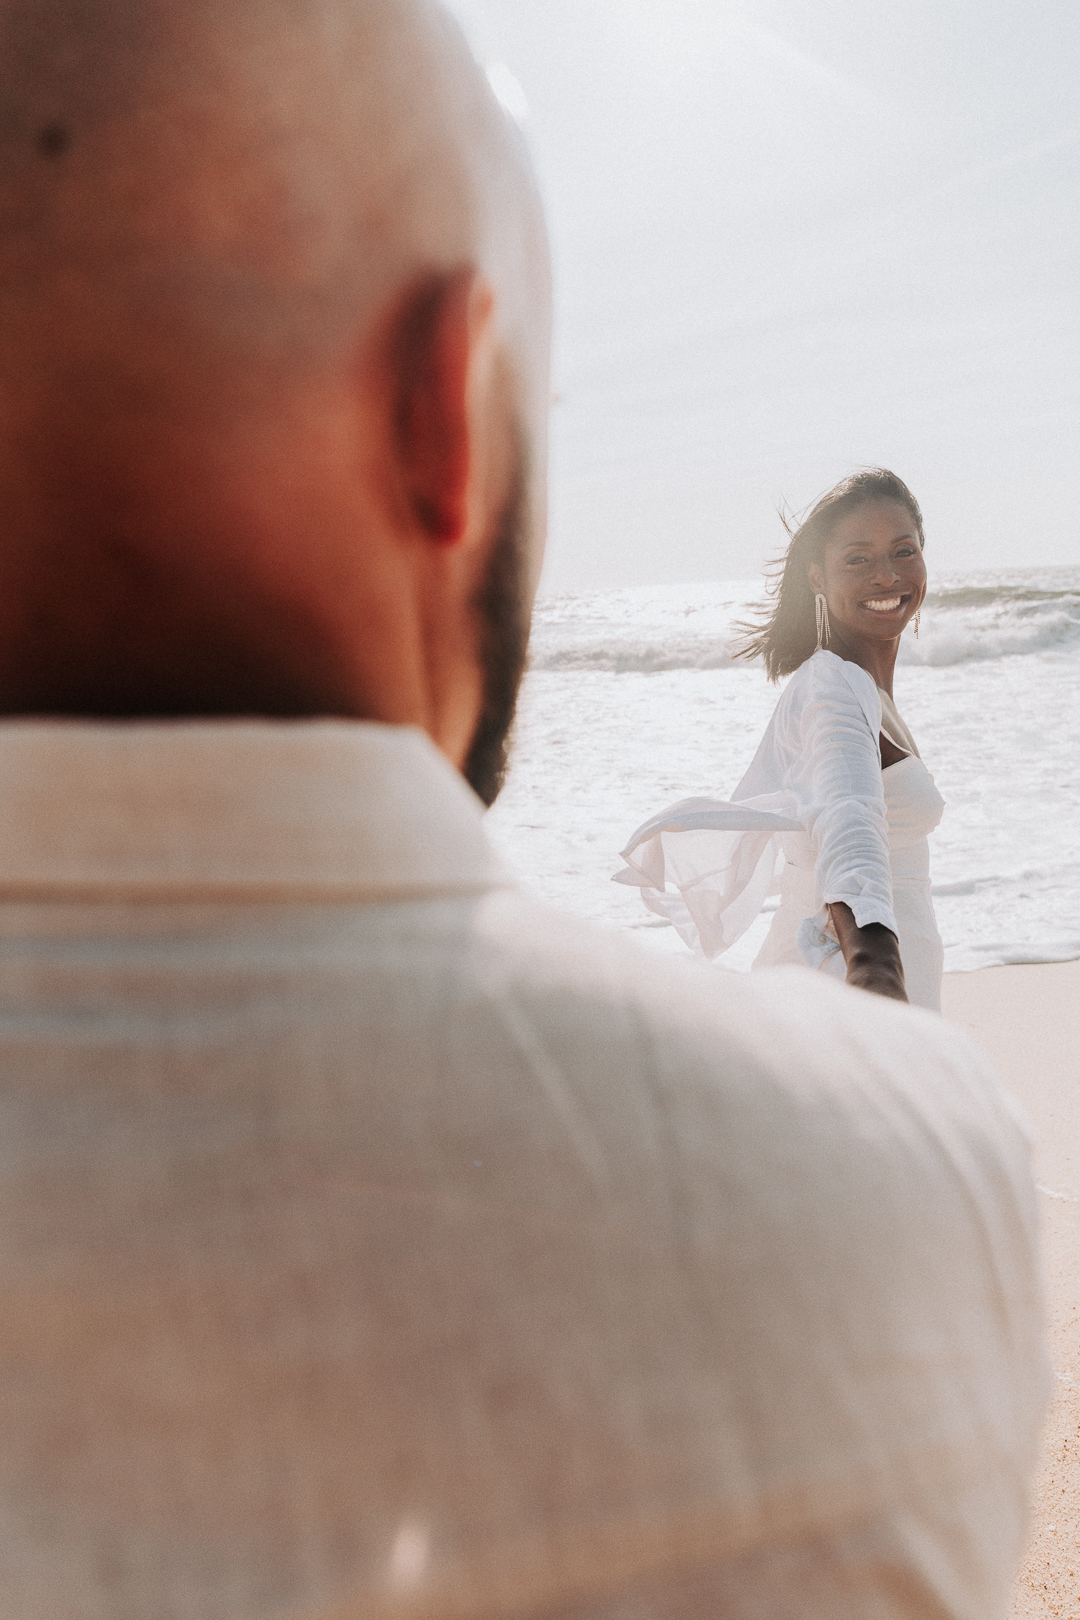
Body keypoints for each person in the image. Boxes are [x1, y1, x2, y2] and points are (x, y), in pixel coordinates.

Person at [0, 5, 1045, 1618]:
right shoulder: (908, 1175)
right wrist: (890, 1022)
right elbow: (848, 840)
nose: (897, 572)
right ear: (442, 413)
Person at [615, 470, 946, 1010]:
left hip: (886, 983)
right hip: (856, 994)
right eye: (857, 559)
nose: (887, 575)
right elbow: (849, 823)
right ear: (818, 577)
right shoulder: (833, 687)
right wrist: (876, 970)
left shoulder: (864, 688)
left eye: (903, 551)